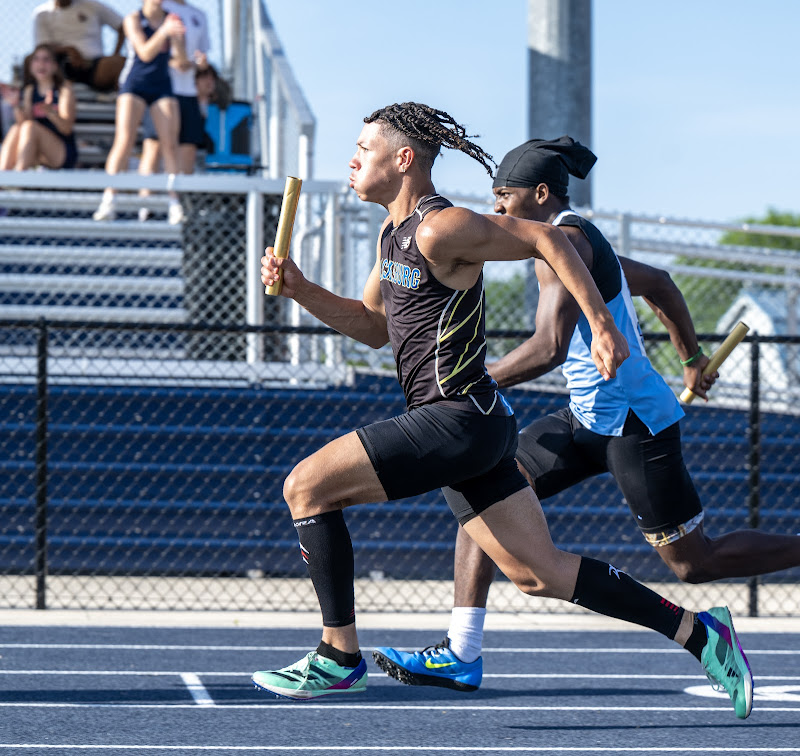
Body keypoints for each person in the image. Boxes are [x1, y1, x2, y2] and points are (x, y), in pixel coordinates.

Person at [251, 104, 753, 719]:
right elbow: (374, 326)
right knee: (541, 574)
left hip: (457, 418)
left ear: (403, 159)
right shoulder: (393, 235)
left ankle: (337, 656)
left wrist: (600, 322)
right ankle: (701, 634)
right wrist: (300, 288)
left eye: (363, 149)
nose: (352, 161)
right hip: (476, 427)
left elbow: (548, 237)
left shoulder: (441, 227)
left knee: (306, 487)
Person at [373, 136, 799, 705]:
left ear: (539, 194)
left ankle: (724, 618)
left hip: (634, 422)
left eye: (504, 197)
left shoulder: (567, 242)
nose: (496, 208)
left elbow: (548, 347)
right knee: (481, 496)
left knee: (694, 564)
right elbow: (659, 283)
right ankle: (462, 651)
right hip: (584, 417)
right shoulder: (575, 244)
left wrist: (465, 382)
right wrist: (693, 359)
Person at [92, 0, 186, 224]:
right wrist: (164, 31)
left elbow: (181, 60)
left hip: (161, 84)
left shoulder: (171, 19)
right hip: (135, 83)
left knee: (170, 144)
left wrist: (178, 40)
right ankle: (109, 199)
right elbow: (144, 53)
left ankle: (175, 203)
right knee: (124, 140)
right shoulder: (134, 19)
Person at [136, 0, 209, 222]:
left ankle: (179, 206)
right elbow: (150, 50)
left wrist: (198, 63)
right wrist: (177, 61)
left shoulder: (199, 15)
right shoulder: (161, 10)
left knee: (187, 149)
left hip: (188, 92)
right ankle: (145, 206)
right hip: (162, 90)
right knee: (154, 146)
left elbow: (198, 58)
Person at [0, 44, 77, 171]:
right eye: (36, 59)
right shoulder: (30, 90)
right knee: (16, 128)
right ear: (31, 66)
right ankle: (3, 176)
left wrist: (50, 112)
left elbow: (66, 129)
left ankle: (19, 176)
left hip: (60, 151)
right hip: (36, 150)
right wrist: (16, 105)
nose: (41, 64)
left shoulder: (63, 89)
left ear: (55, 66)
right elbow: (23, 124)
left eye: (46, 59)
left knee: (31, 127)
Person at [33, 0, 126, 93]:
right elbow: (42, 46)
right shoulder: (42, 13)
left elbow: (123, 26)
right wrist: (69, 50)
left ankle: (122, 98)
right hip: (59, 66)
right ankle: (36, 98)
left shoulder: (92, 5)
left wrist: (116, 53)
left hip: (94, 65)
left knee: (119, 63)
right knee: (33, 61)